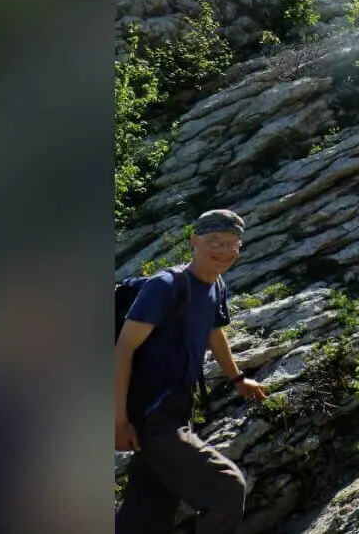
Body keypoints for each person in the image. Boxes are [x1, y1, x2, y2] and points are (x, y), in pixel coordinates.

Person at [115, 209, 268, 534]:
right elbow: (124, 349)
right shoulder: (166, 285)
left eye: (232, 244)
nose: (225, 251)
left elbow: (214, 333)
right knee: (227, 488)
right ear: (195, 240)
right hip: (150, 415)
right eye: (215, 242)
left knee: (147, 514)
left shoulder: (215, 285)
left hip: (177, 408)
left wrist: (238, 378)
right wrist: (118, 421)